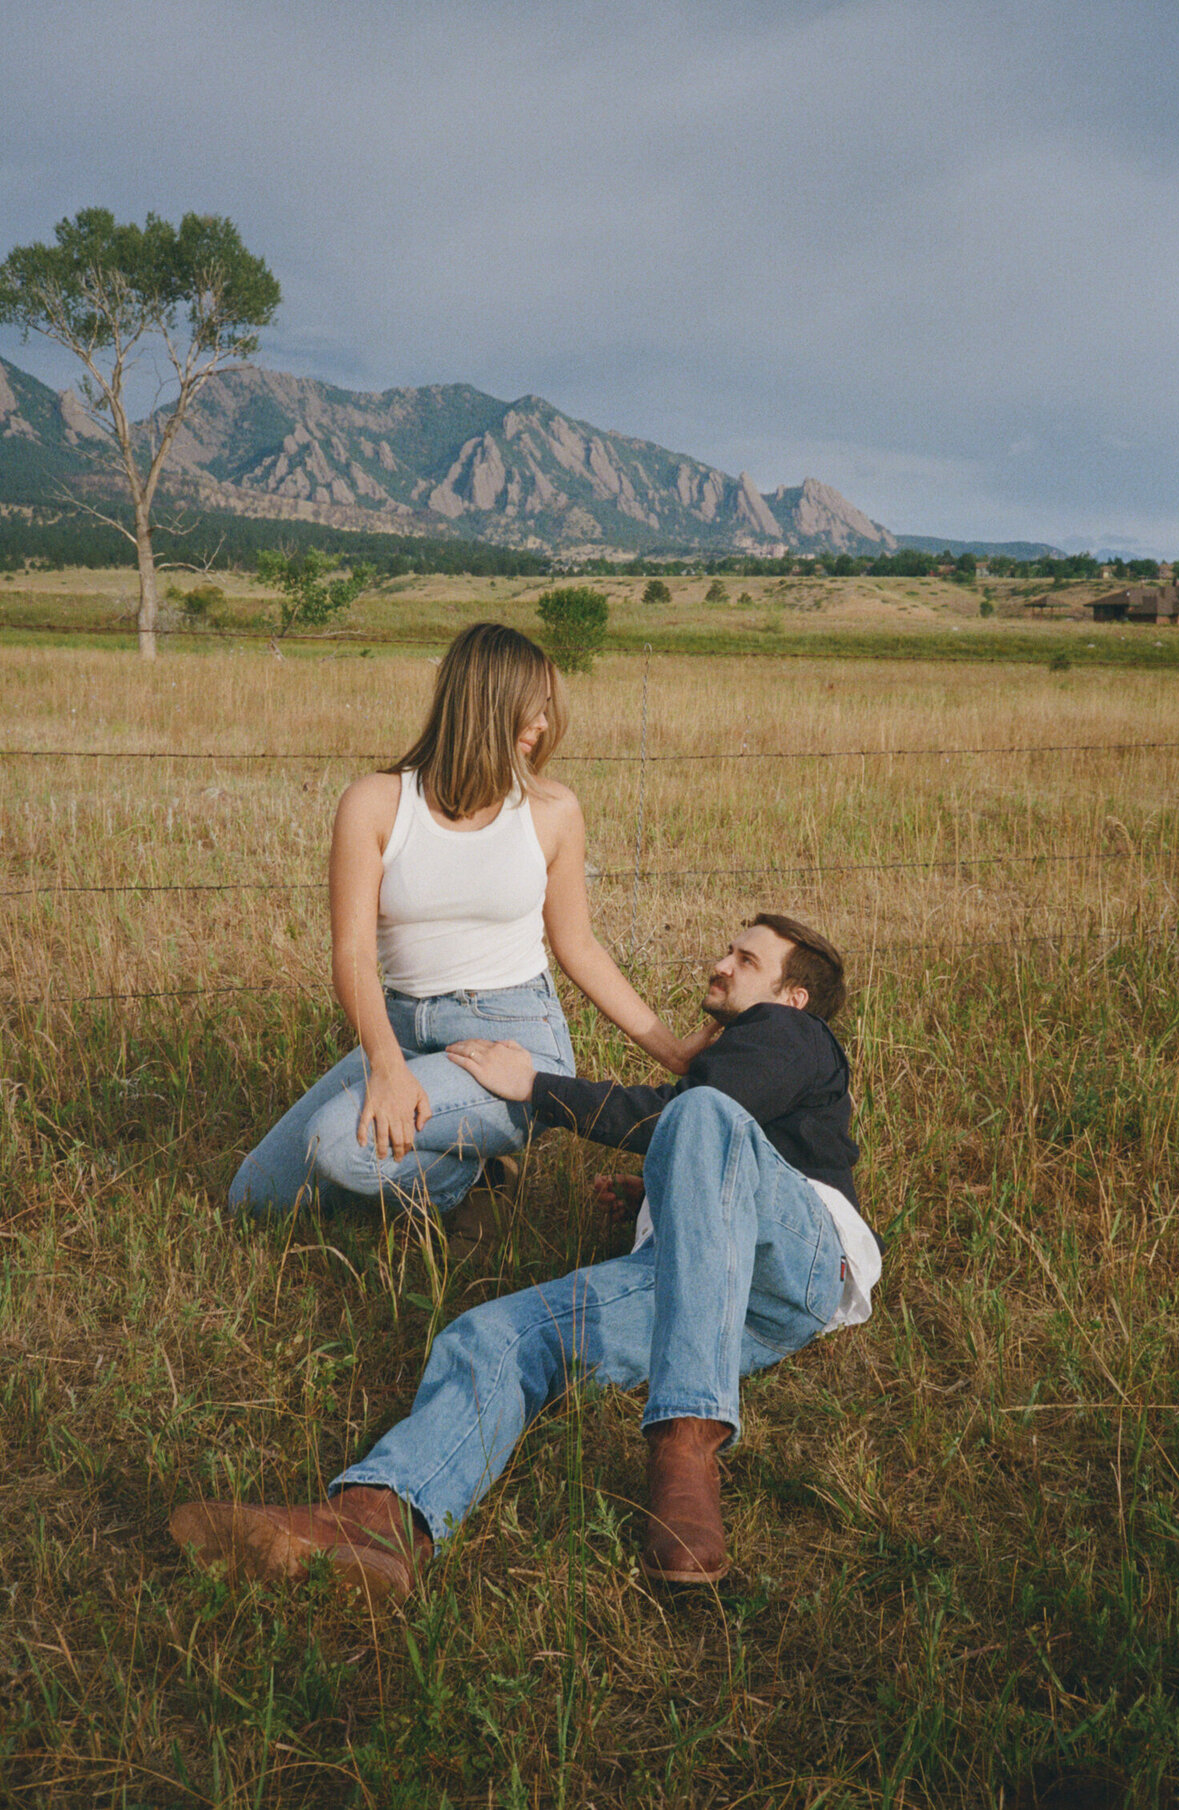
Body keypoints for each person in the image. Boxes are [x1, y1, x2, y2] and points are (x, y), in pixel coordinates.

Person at [173, 914, 882, 1601]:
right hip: (717, 1300)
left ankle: (685, 1444)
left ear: (794, 998)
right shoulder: (746, 1072)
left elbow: (688, 1118)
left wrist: (536, 1089)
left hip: (804, 1264)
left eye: (746, 960)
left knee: (699, 1114)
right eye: (729, 950)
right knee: (494, 1335)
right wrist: (653, 1197)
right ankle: (380, 1522)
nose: (721, 964)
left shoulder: (794, 1030)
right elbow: (716, 1169)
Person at [228, 621, 708, 1223]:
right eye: (533, 710)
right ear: (487, 703)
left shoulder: (552, 810)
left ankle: (467, 1186)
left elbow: (578, 946)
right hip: (403, 1027)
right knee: (254, 1197)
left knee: (335, 1145)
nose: (543, 726)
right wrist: (386, 1067)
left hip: (514, 1040)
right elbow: (351, 953)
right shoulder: (374, 803)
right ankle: (459, 1167)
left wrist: (673, 1053)